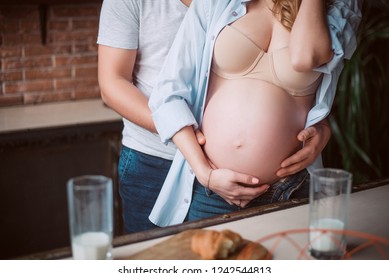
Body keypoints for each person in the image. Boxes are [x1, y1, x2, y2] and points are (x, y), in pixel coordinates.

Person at [97, 0, 336, 233]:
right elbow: (112, 84)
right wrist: (190, 139)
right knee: (158, 260)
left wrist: (321, 126)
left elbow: (299, 82)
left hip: (258, 176)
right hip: (154, 157)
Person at [148, 0, 362, 225]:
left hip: (289, 188)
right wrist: (205, 173)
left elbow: (305, 56)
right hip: (213, 189)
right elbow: (168, 93)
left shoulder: (337, 6)